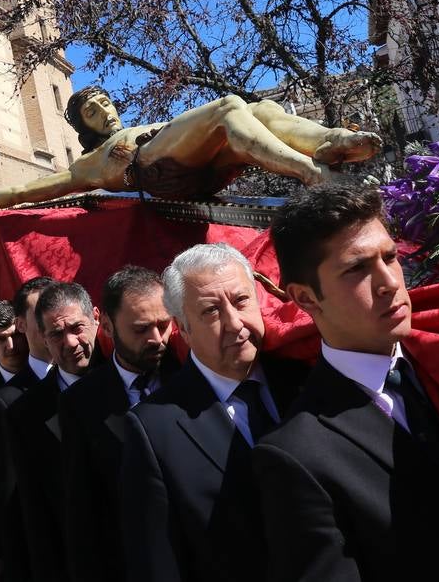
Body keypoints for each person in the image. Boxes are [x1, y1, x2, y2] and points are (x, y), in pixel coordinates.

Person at [256, 183, 439, 581]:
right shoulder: (296, 457)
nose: (389, 281)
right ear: (305, 298)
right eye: (357, 268)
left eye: (390, 257)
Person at [119, 243, 308, 582]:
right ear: (184, 329)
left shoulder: (306, 380)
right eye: (210, 311)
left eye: (241, 301)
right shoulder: (153, 429)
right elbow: (158, 561)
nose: (234, 323)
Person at [0, 87, 382, 213]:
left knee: (260, 106)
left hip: (201, 167)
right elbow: (22, 191)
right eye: (90, 111)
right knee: (230, 105)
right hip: (158, 171)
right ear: (81, 126)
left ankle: (328, 141)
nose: (103, 111)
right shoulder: (89, 163)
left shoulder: (148, 123)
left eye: (105, 102)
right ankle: (312, 171)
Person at [59, 265, 178, 582]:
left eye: (164, 325)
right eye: (141, 329)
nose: (157, 339)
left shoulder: (191, 377)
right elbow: (83, 510)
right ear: (107, 326)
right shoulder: (81, 403)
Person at [7, 283, 101, 582]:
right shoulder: (24, 414)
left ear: (96, 319)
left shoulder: (133, 385)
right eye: (57, 334)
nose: (70, 342)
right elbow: (36, 514)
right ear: (43, 339)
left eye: (77, 328)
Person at [0, 278, 56, 581]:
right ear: (22, 324)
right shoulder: (7, 402)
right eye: (39, 312)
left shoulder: (99, 378)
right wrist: (2, 556)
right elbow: (4, 489)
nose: (51, 320)